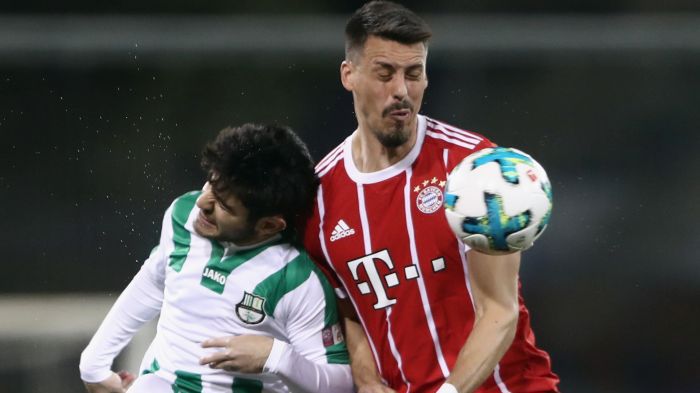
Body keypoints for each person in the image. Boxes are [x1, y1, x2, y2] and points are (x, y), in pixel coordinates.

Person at [302, 2, 560, 393]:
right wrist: (367, 379)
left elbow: (500, 311)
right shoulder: (319, 200)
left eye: (414, 74)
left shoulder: (476, 170)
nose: (401, 91)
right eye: (385, 74)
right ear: (349, 74)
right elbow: (346, 309)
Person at [79, 123, 353, 393]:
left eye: (223, 205)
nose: (203, 203)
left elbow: (339, 383)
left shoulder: (296, 278)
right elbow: (154, 282)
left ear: (268, 225)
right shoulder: (183, 215)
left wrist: (276, 357)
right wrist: (94, 364)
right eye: (210, 182)